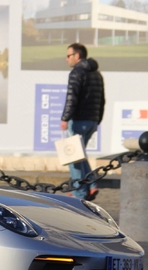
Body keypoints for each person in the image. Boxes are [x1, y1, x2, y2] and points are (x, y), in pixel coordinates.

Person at [60, 42, 105, 201]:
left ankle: (79, 193)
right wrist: (97, 120)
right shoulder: (97, 73)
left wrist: (65, 118)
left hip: (78, 120)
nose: (67, 59)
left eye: (69, 56)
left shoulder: (76, 73)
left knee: (74, 157)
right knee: (81, 155)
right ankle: (91, 186)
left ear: (77, 56)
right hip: (92, 121)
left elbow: (72, 98)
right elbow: (102, 100)